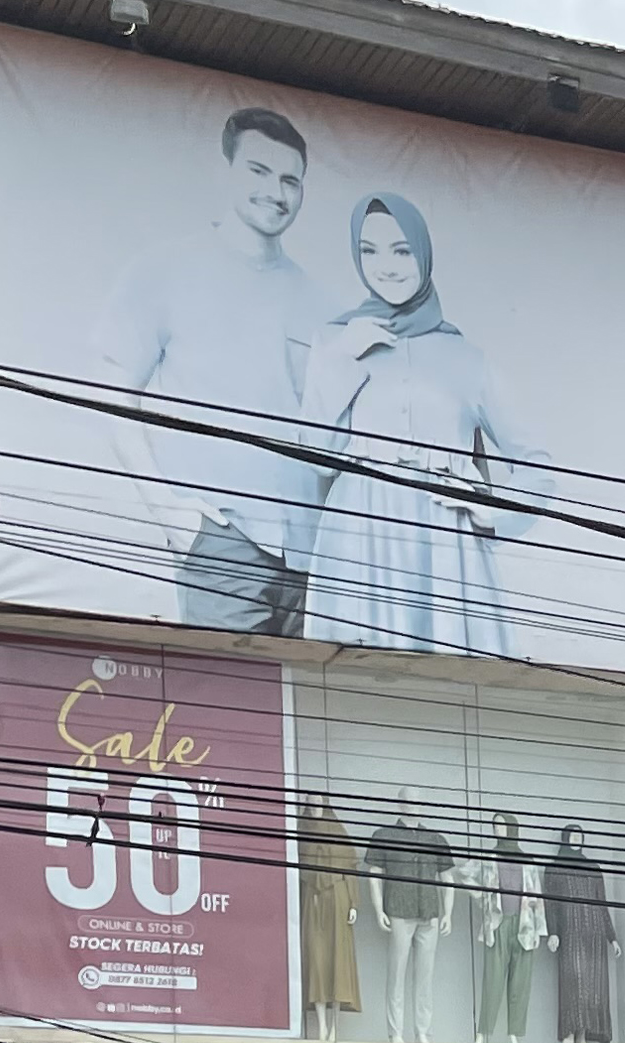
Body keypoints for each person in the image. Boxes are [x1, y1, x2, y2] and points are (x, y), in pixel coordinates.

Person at [93, 106, 326, 636]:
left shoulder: (317, 300)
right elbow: (110, 393)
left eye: (291, 180)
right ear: (227, 172)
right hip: (223, 539)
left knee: (308, 690)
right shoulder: (166, 271)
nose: (276, 192)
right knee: (227, 687)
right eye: (259, 171)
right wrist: (172, 514)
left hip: (308, 553)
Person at [297, 191, 532, 657]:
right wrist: (345, 357)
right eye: (369, 251)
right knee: (352, 670)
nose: (386, 266)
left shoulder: (466, 357)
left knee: (456, 678)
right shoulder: (335, 341)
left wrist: (495, 512)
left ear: (423, 254)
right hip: (360, 536)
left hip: (447, 543)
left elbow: (536, 465)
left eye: (402, 250)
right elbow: (316, 456)